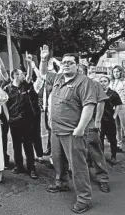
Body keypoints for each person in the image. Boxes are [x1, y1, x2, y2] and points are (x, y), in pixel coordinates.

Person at [39, 45, 97, 214]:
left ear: (77, 65)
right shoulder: (57, 78)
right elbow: (43, 74)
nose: (66, 65)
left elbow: (89, 107)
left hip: (73, 132)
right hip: (56, 130)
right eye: (64, 62)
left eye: (70, 63)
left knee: (77, 166)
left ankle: (84, 198)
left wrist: (80, 128)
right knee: (57, 160)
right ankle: (61, 182)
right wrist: (43, 59)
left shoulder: (84, 82)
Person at [4, 65, 38, 179]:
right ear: (15, 75)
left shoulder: (26, 85)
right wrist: (8, 117)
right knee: (16, 145)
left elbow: (29, 76)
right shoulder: (7, 89)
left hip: (27, 120)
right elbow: (4, 105)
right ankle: (19, 166)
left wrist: (29, 64)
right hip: (14, 121)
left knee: (28, 144)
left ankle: (31, 167)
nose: (23, 75)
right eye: (21, 73)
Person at [99, 75, 122, 165]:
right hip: (99, 119)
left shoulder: (113, 93)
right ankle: (101, 157)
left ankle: (113, 156)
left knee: (112, 138)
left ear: (108, 82)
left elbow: (118, 105)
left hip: (109, 118)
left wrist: (114, 116)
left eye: (105, 81)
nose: (103, 83)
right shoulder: (97, 93)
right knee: (99, 138)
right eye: (101, 81)